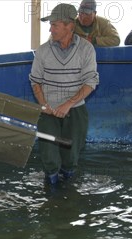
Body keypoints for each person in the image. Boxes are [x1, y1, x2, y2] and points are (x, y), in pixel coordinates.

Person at [29, 3, 99, 187]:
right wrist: (44, 105)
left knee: (70, 157)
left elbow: (91, 82)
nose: (50, 29)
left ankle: (68, 194)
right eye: (50, 25)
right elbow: (35, 81)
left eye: (55, 25)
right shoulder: (43, 51)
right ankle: (51, 193)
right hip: (48, 112)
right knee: (49, 156)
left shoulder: (86, 49)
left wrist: (68, 104)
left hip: (75, 111)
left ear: (69, 25)